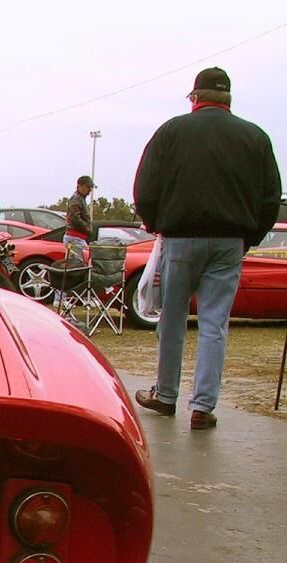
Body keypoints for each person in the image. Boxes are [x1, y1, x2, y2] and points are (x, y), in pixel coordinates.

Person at [133, 67, 281, 430]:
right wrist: (250, 237)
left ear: (195, 97)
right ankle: (203, 407)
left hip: (181, 237)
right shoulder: (255, 137)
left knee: (172, 319)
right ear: (228, 99)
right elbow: (270, 196)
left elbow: (145, 187)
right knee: (215, 323)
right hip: (231, 240)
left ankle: (166, 396)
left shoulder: (171, 131)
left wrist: (157, 225)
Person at [65, 176, 94, 252]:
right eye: (88, 187)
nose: (90, 190)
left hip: (77, 238)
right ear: (79, 186)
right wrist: (87, 229)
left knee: (78, 261)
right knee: (79, 261)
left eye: (91, 187)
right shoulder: (76, 199)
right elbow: (75, 218)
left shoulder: (80, 199)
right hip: (75, 238)